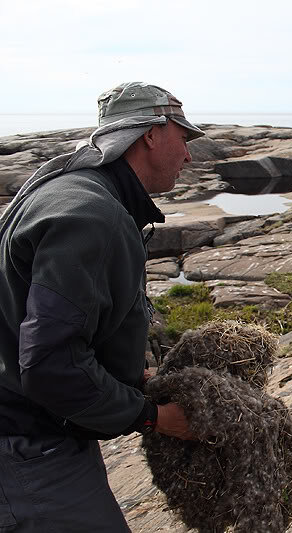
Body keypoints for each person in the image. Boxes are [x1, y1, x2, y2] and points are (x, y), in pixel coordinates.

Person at [0, 82, 205, 531]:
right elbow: (50, 363)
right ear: (150, 134)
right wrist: (153, 417)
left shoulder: (66, 190)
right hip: (28, 448)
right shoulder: (93, 216)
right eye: (183, 138)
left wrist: (130, 376)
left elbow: (35, 323)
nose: (188, 156)